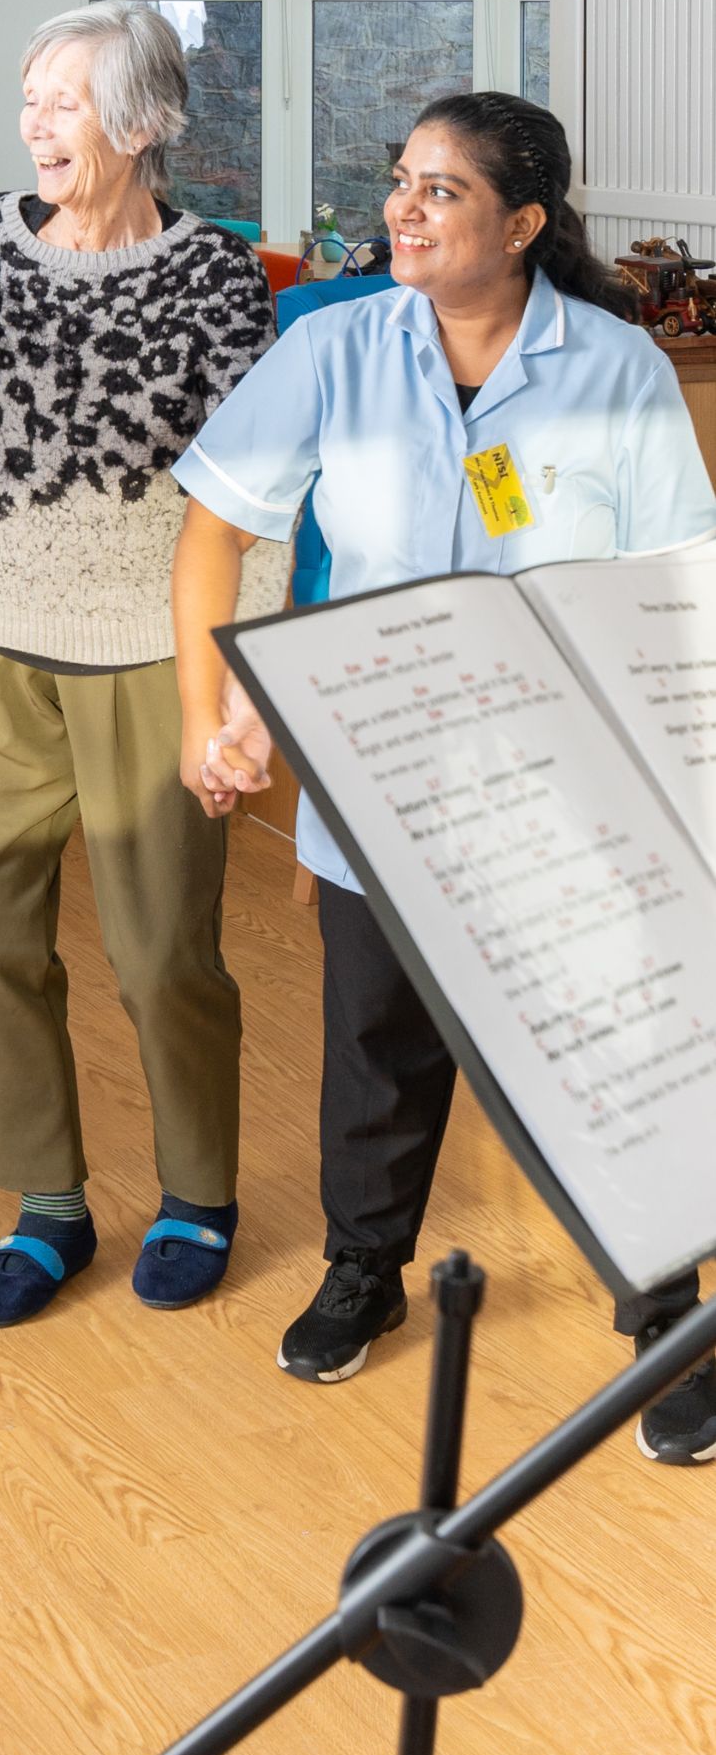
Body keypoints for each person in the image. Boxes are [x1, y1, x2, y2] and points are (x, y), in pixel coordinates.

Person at [172, 89, 716, 1464]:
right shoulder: (333, 349)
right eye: (398, 182)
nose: (400, 211)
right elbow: (212, 527)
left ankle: (665, 1311)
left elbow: (672, 592)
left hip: (564, 784)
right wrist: (211, 713)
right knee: (375, 1038)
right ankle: (364, 1266)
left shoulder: (616, 369)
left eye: (439, 192)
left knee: (609, 1051)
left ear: (522, 223)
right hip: (377, 771)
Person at [0, 2, 282, 1331]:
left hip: (148, 657)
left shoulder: (214, 273)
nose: (33, 123)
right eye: (26, 96)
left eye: (64, 100)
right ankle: (44, 1202)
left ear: (143, 123)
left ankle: (197, 1194)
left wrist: (234, 692)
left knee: (162, 955)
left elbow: (253, 493)